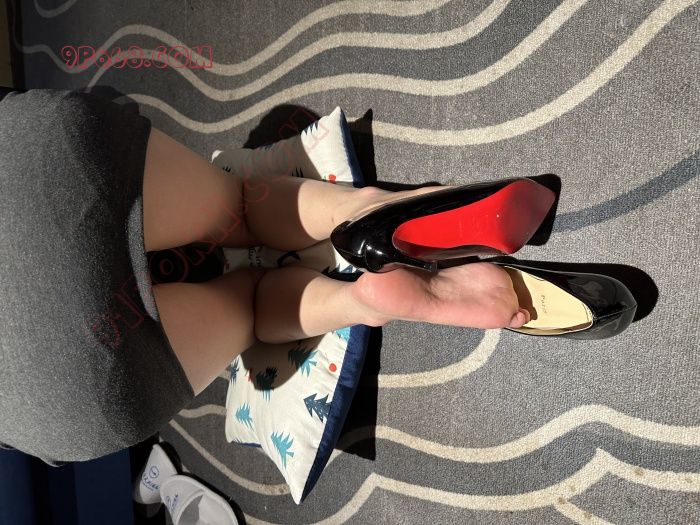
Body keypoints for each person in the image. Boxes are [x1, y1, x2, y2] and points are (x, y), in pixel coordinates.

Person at [0, 88, 632, 466]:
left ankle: (364, 301)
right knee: (239, 208)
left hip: (60, 388)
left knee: (250, 311)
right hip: (38, 183)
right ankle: (364, 213)